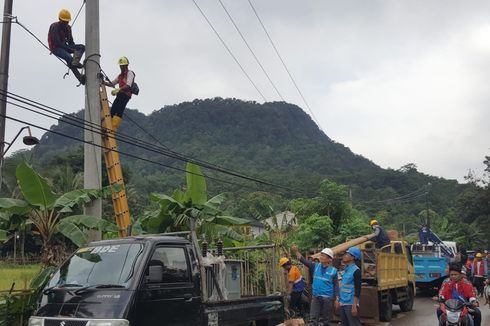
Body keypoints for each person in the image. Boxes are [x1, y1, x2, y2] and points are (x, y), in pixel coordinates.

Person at [292, 245, 338, 326]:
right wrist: (296, 251)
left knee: (326, 320)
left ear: (329, 259)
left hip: (327, 298)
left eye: (323, 255)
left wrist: (337, 299)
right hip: (316, 297)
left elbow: (336, 285)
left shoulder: (333, 271)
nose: (321, 257)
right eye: (321, 255)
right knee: (313, 319)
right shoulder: (315, 266)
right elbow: (303, 260)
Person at [48, 9, 85, 84]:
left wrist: (74, 50)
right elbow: (57, 42)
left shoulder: (68, 28)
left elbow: (71, 41)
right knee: (69, 58)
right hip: (56, 48)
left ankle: (75, 62)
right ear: (60, 19)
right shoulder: (54, 26)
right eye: (64, 21)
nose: (66, 23)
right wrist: (71, 49)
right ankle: (79, 76)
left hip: (64, 46)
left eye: (67, 21)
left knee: (82, 47)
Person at [104, 57, 135, 131]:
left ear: (126, 65)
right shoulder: (120, 76)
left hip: (126, 95)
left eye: (123, 65)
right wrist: (103, 82)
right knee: (113, 110)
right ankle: (109, 126)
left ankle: (114, 127)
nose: (122, 67)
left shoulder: (130, 73)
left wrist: (119, 89)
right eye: (121, 66)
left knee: (119, 110)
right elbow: (112, 83)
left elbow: (128, 85)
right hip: (120, 94)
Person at [335, 247, 362, 326]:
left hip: (350, 303)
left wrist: (354, 305)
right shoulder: (346, 269)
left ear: (353, 257)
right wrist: (338, 300)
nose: (344, 256)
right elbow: (342, 286)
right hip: (343, 303)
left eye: (347, 254)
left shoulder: (356, 271)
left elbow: (358, 290)